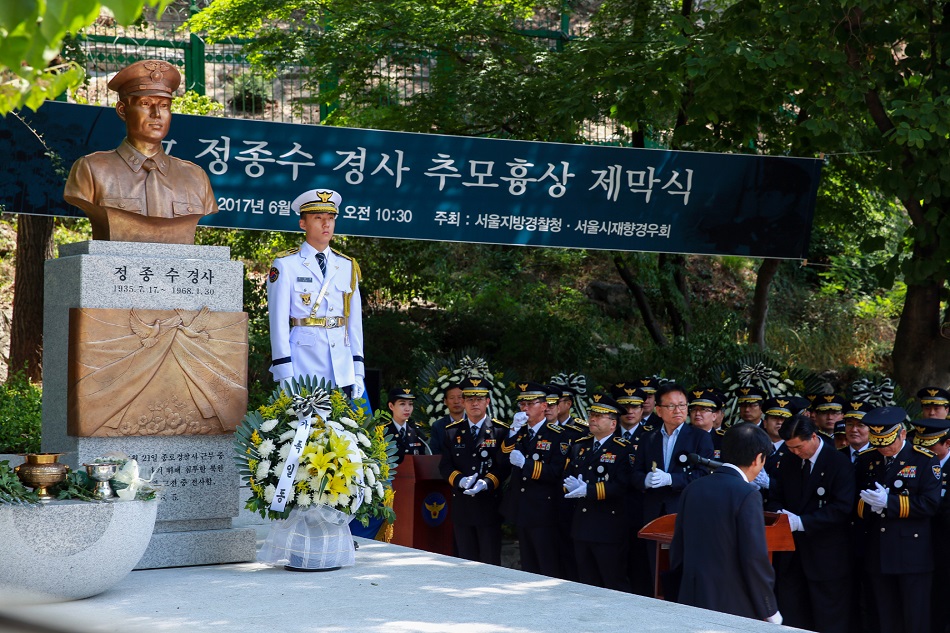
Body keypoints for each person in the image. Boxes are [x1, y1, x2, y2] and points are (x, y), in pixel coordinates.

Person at [63, 59, 218, 244]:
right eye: (145, 103)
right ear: (122, 110)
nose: (156, 114)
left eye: (164, 106)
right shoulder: (91, 170)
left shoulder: (195, 177)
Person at [669, 423, 782, 624]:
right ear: (758, 458)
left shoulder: (694, 487)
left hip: (690, 595)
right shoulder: (748, 494)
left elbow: (678, 548)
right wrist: (769, 608)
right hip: (731, 603)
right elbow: (754, 557)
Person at [266, 188, 365, 401]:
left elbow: (354, 323)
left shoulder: (347, 265)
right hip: (303, 361)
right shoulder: (285, 265)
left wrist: (358, 369)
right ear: (303, 224)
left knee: (340, 431)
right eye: (318, 218)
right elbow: (278, 322)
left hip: (341, 363)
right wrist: (284, 371)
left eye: (330, 218)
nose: (326, 224)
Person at [855, 406, 941, 633]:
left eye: (888, 442)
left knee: (914, 618)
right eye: (878, 443)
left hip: (912, 553)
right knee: (884, 617)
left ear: (902, 434)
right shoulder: (867, 459)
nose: (883, 448)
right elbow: (855, 500)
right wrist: (868, 503)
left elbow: (930, 504)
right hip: (879, 550)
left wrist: (889, 503)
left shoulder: (924, 460)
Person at [766, 414, 855, 633]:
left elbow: (842, 507)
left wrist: (803, 522)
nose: (795, 451)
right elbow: (776, 494)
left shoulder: (838, 462)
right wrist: (780, 513)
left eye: (799, 446)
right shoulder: (788, 460)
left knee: (828, 616)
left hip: (826, 554)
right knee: (793, 615)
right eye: (790, 447)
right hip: (792, 553)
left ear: (813, 436)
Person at [632, 383, 714, 581]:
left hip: (684, 512)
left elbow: (704, 476)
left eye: (682, 405)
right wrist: (645, 480)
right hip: (654, 513)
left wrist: (671, 479)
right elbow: (634, 474)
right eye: (671, 406)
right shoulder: (648, 438)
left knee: (682, 568)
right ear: (658, 410)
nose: (678, 410)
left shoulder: (699, 437)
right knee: (656, 569)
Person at [562, 393, 633, 591]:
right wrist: (570, 486)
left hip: (608, 527)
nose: (593, 418)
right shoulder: (580, 447)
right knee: (586, 582)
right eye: (592, 414)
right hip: (582, 525)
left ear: (613, 423)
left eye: (599, 415)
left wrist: (590, 490)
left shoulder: (623, 449)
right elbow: (566, 476)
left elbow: (622, 484)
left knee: (612, 581)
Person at [438, 377, 510, 565]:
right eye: (470, 399)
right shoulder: (452, 432)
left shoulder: (500, 431)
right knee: (465, 562)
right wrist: (460, 480)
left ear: (487, 401)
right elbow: (445, 466)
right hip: (462, 507)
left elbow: (504, 467)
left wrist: (486, 482)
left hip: (489, 507)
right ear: (463, 402)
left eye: (479, 399)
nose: (474, 403)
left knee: (489, 561)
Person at [500, 382, 568, 578]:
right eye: (522, 404)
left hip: (544, 510)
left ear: (545, 406)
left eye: (531, 403)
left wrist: (526, 464)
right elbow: (502, 459)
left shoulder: (557, 435)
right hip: (522, 508)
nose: (525, 408)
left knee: (547, 565)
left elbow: (555, 472)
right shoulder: (518, 431)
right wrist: (512, 430)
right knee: (528, 566)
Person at [911, 418, 950, 633]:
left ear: (948, 443)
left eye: (931, 445)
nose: (924, 449)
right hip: (917, 545)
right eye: (921, 444)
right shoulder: (917, 463)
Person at [383, 387, 426, 464]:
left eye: (410, 404)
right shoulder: (382, 431)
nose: (407, 409)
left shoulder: (416, 431)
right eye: (402, 404)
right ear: (391, 406)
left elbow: (424, 460)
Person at [429, 382, 465, 456]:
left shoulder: (474, 422)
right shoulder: (438, 426)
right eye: (452, 398)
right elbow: (435, 453)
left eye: (460, 397)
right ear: (445, 401)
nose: (456, 401)